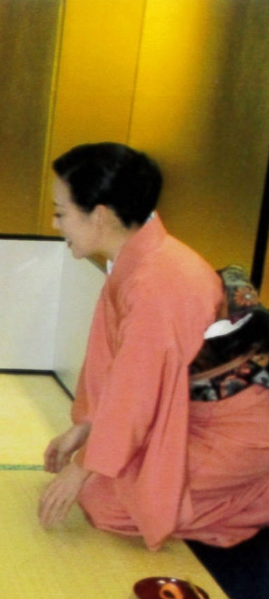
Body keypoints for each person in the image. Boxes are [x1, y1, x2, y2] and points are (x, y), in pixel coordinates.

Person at [38, 142, 269, 550]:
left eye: (61, 212)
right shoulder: (137, 261)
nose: (56, 224)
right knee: (107, 484)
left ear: (100, 215)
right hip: (187, 411)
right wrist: (86, 428)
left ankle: (256, 497)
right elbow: (115, 365)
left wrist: (84, 464)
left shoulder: (159, 282)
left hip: (237, 428)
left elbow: (137, 391)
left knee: (105, 503)